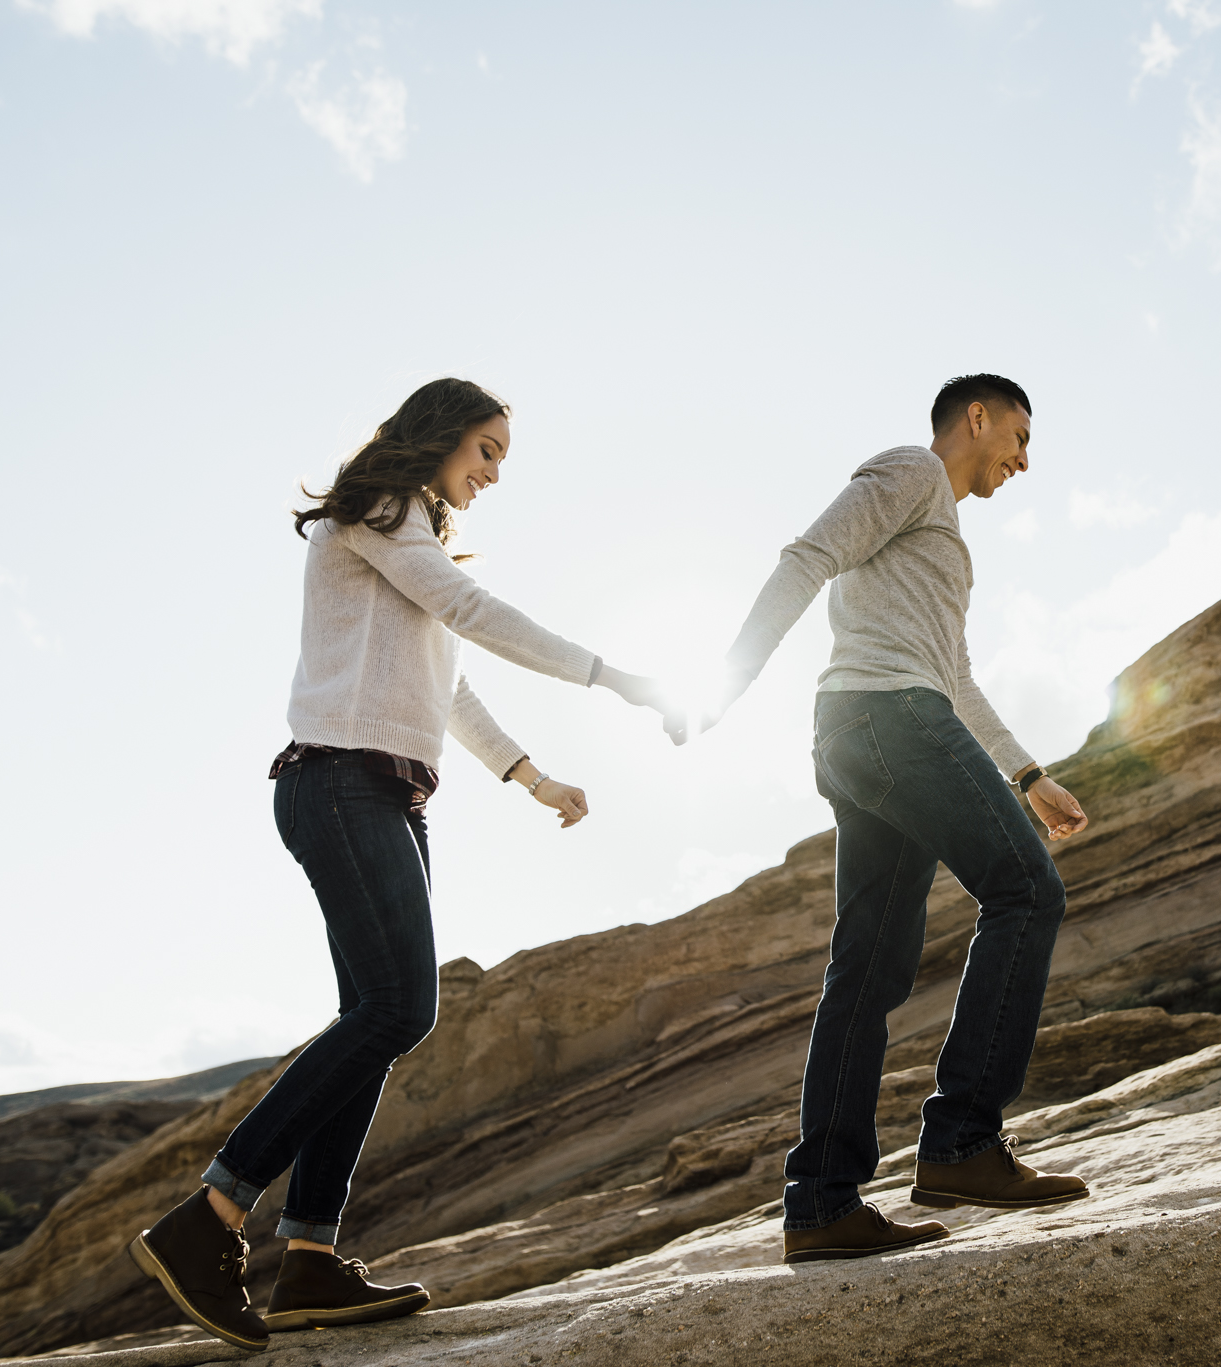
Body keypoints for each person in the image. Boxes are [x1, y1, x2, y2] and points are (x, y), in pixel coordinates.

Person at [127, 378, 662, 1350]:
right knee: (398, 1007)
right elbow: (470, 605)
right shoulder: (378, 508)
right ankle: (206, 1217)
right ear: (439, 432)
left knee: (372, 1019)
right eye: (487, 450)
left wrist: (530, 775)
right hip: (339, 783)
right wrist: (609, 673)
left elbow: (448, 681)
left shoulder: (412, 541)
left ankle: (312, 1260)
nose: (492, 474)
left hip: (388, 794)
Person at [686, 373, 1093, 1264]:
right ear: (975, 418)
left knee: (865, 971)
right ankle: (962, 1142)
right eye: (1020, 437)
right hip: (893, 719)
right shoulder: (912, 471)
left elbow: (956, 672)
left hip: (865, 729)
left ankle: (822, 1203)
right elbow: (807, 556)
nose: (1024, 461)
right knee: (1026, 890)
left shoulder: (943, 536)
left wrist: (1027, 773)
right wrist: (727, 679)